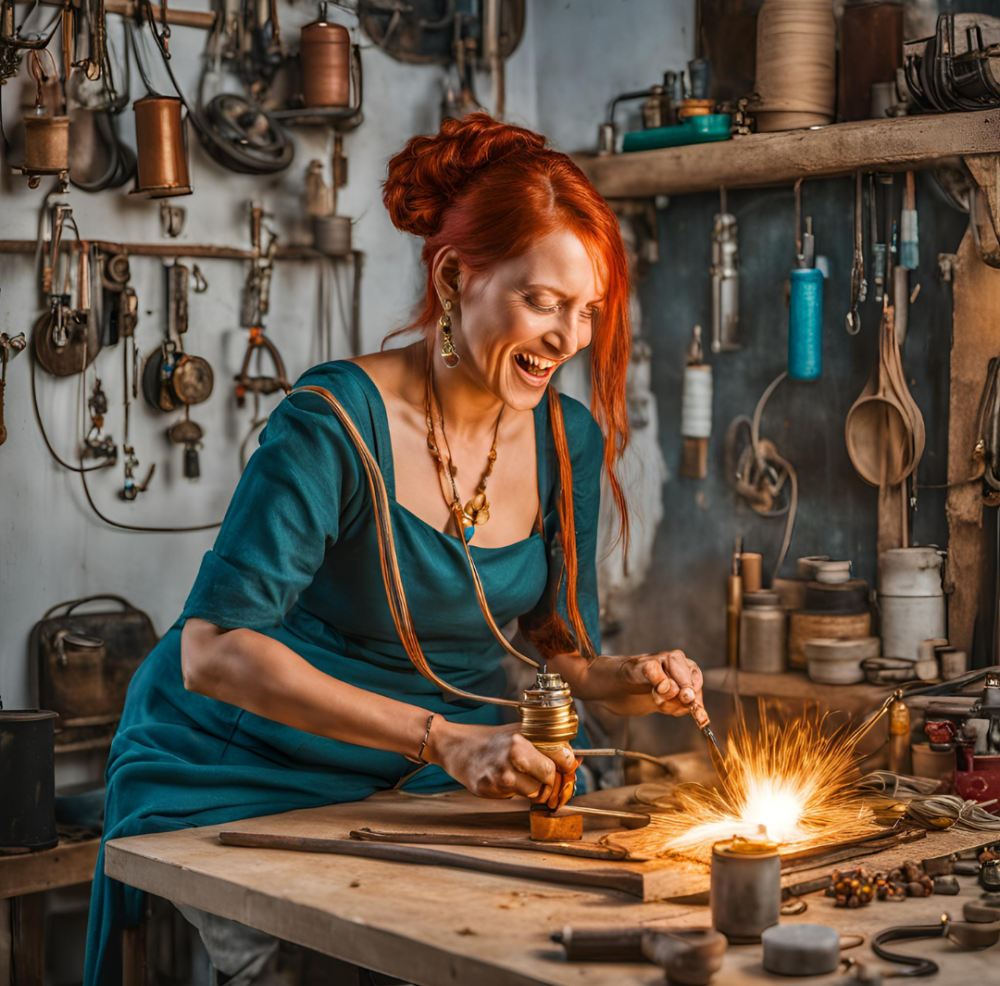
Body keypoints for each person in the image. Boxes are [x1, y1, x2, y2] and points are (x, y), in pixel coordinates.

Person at [83, 113, 704, 985]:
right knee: (294, 962)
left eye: (588, 310)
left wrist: (629, 676)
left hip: (424, 771)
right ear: (456, 277)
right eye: (544, 301)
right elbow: (213, 651)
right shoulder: (334, 421)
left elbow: (559, 651)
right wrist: (443, 740)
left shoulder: (566, 439)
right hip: (245, 759)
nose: (570, 339)